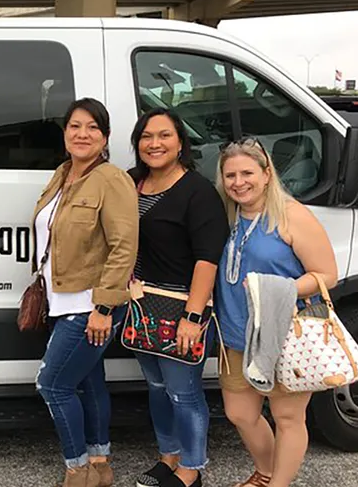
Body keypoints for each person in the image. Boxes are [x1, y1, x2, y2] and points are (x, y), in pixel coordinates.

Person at [214, 137, 338, 487]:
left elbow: (327, 274)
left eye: (247, 173)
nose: (239, 182)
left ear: (267, 174)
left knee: (287, 417)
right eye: (230, 175)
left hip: (285, 334)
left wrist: (276, 289)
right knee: (239, 412)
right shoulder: (229, 213)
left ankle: (277, 483)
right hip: (236, 334)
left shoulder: (291, 214)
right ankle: (266, 472)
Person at [33, 98, 139, 487]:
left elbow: (124, 245)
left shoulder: (111, 179)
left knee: (53, 385)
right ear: (64, 134)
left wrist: (104, 307)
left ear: (106, 137)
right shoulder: (63, 174)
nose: (82, 134)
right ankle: (100, 466)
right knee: (90, 382)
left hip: (90, 304)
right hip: (62, 300)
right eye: (75, 126)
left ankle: (76, 470)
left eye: (92, 127)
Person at [127, 109, 229, 487]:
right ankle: (168, 457)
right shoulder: (131, 183)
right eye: (146, 136)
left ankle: (191, 467)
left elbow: (207, 258)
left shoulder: (197, 192)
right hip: (140, 304)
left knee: (183, 392)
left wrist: (193, 316)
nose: (155, 144)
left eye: (164, 135)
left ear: (181, 142)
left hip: (180, 306)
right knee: (156, 387)